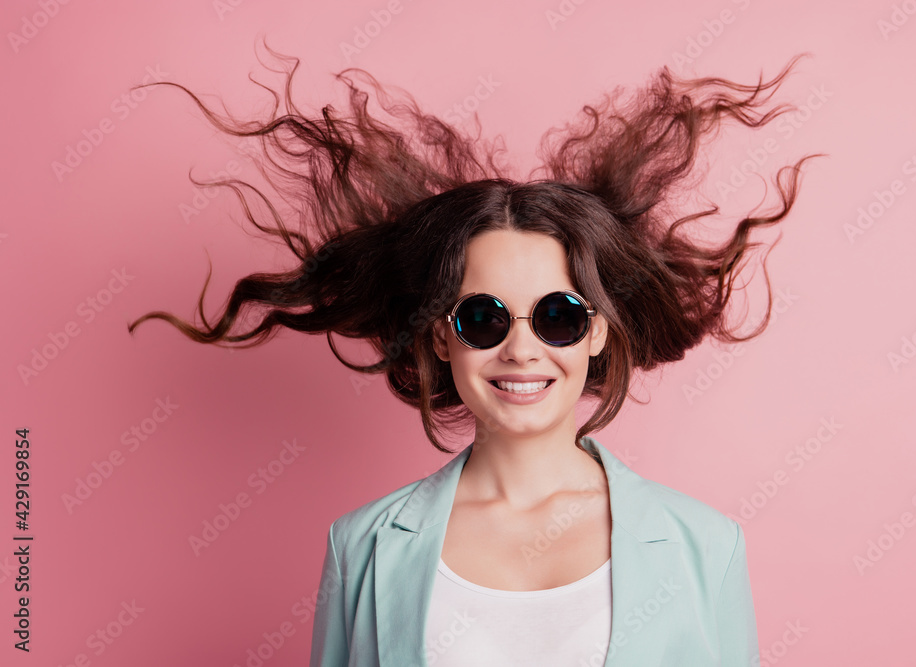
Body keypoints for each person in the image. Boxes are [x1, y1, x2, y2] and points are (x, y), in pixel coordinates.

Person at [128, 43, 817, 665]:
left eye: (557, 315)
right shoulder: (363, 547)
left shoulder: (705, 545)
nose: (521, 349)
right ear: (440, 333)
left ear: (599, 331)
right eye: (483, 317)